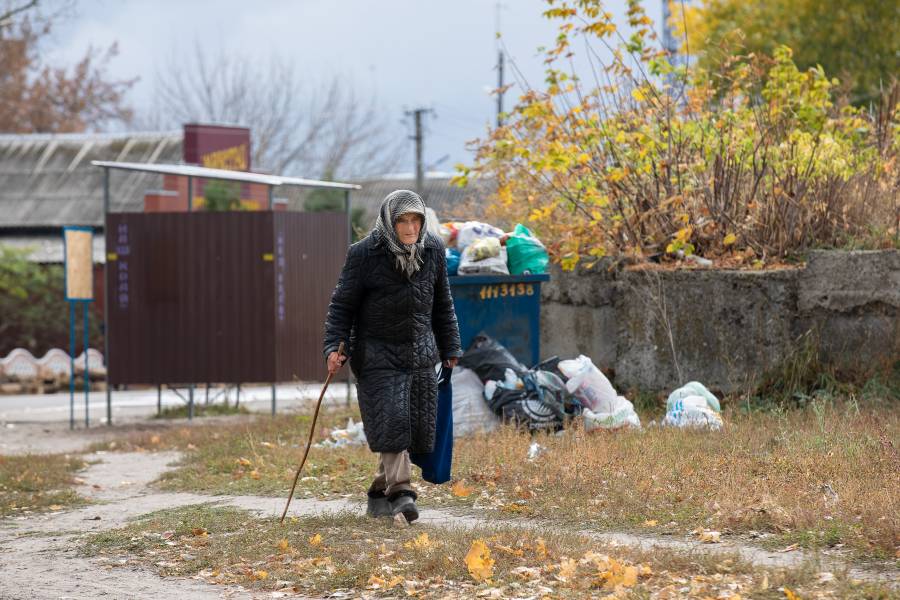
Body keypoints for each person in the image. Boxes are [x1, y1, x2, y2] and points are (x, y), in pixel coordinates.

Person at [323, 189, 461, 523]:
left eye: (416, 219)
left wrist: (450, 347)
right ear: (390, 221)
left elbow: (443, 302)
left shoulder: (433, 249)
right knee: (393, 420)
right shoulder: (364, 254)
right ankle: (401, 493)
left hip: (420, 354)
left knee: (412, 429)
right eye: (403, 220)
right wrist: (334, 347)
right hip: (377, 356)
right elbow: (342, 306)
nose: (411, 227)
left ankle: (378, 493)